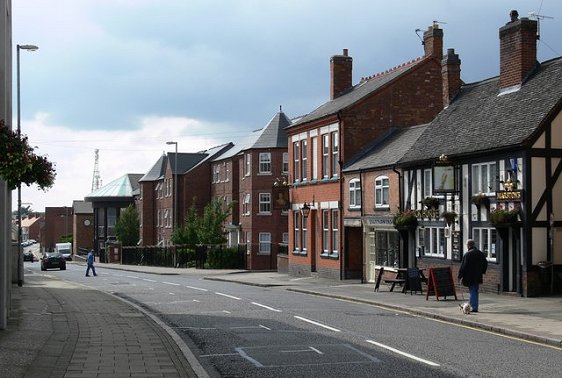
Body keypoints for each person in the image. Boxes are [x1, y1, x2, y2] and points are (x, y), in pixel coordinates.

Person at [458, 239, 488, 312]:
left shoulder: (467, 254)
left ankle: (473, 307)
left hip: (469, 276)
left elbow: (463, 266)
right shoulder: (480, 253)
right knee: (475, 290)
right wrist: (482, 271)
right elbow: (485, 263)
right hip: (478, 276)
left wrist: (460, 276)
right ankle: (474, 306)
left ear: (468, 245)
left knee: (473, 291)